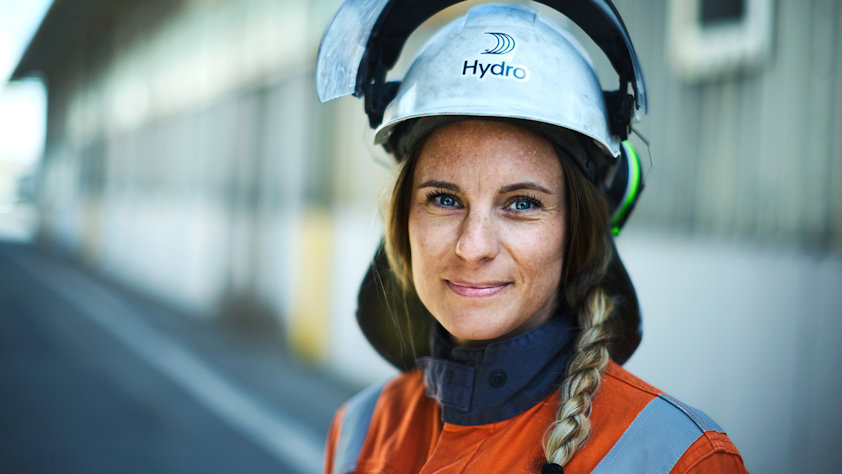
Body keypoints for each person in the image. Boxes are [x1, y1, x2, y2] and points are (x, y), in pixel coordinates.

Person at [316, 1, 747, 472]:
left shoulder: (684, 460)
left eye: (522, 203)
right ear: (402, 221)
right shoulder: (359, 429)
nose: (473, 246)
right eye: (444, 198)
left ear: (577, 233)